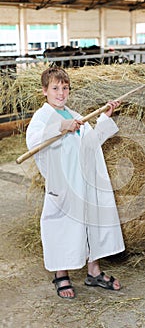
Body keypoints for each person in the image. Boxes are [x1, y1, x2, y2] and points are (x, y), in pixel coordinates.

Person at [26, 67, 125, 299]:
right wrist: (61, 127)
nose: (61, 93)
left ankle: (94, 271)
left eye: (65, 88)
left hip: (85, 182)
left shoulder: (74, 114)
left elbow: (91, 144)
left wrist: (105, 118)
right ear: (44, 91)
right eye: (55, 88)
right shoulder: (42, 117)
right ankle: (61, 274)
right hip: (63, 184)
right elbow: (34, 141)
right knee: (63, 226)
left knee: (91, 222)